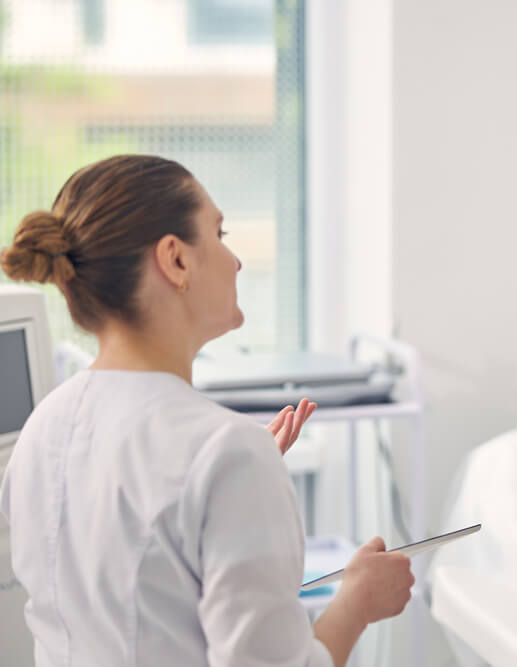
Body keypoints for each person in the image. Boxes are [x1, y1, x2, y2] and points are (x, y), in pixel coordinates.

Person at [0, 154, 414, 667]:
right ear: (176, 260)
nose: (235, 261)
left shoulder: (42, 427)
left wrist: (233, 487)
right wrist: (356, 602)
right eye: (219, 234)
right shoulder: (225, 453)